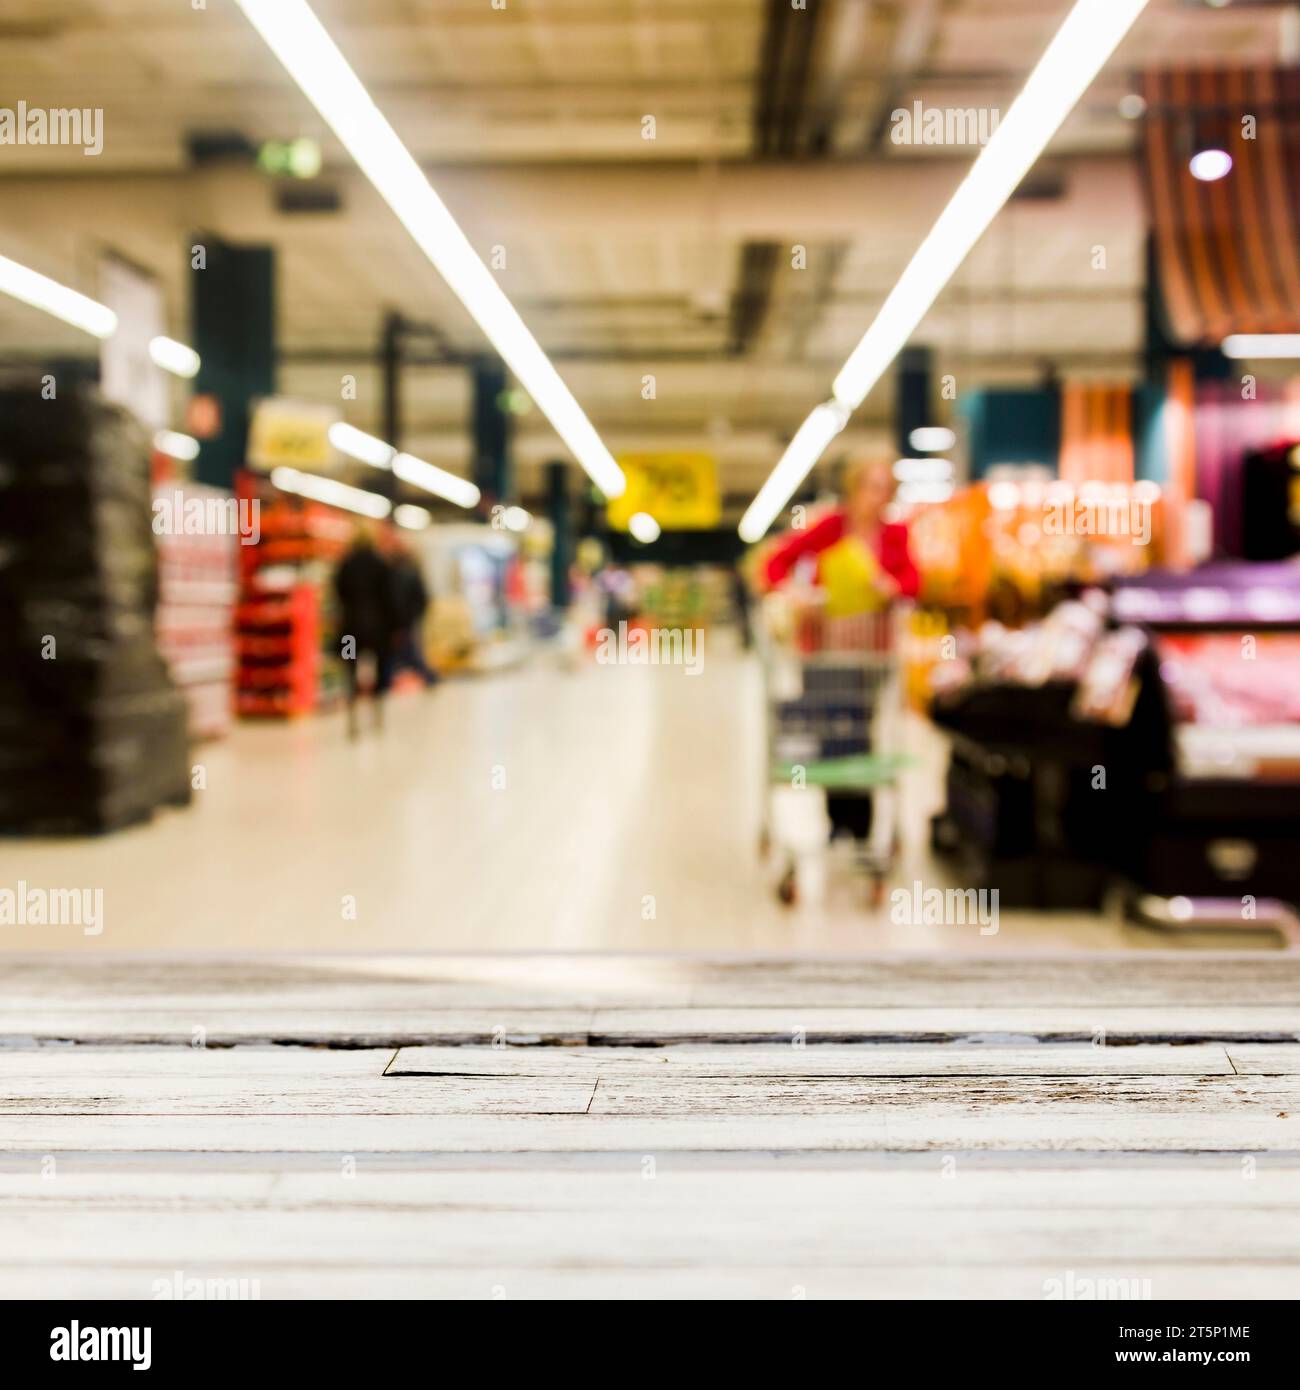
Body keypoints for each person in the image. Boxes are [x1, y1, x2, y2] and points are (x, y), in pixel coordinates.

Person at [760, 455, 920, 604]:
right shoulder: (831, 526)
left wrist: (893, 586)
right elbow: (776, 562)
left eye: (887, 490)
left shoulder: (897, 533)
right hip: (829, 628)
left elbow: (914, 581)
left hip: (877, 629)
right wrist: (791, 590)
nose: (881, 496)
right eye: (874, 488)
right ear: (855, 487)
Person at [333, 523, 399, 738]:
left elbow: (338, 594)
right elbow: (390, 598)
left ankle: (352, 719)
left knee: (350, 670)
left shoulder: (345, 564)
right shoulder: (382, 564)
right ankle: (377, 716)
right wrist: (395, 627)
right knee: (379, 668)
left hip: (350, 629)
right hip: (377, 628)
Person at [387, 539, 437, 687]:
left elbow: (398, 601)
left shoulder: (398, 574)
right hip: (411, 619)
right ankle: (429, 677)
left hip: (404, 621)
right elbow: (422, 597)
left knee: (408, 653)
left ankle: (429, 677)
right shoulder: (412, 571)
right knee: (411, 652)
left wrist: (400, 622)